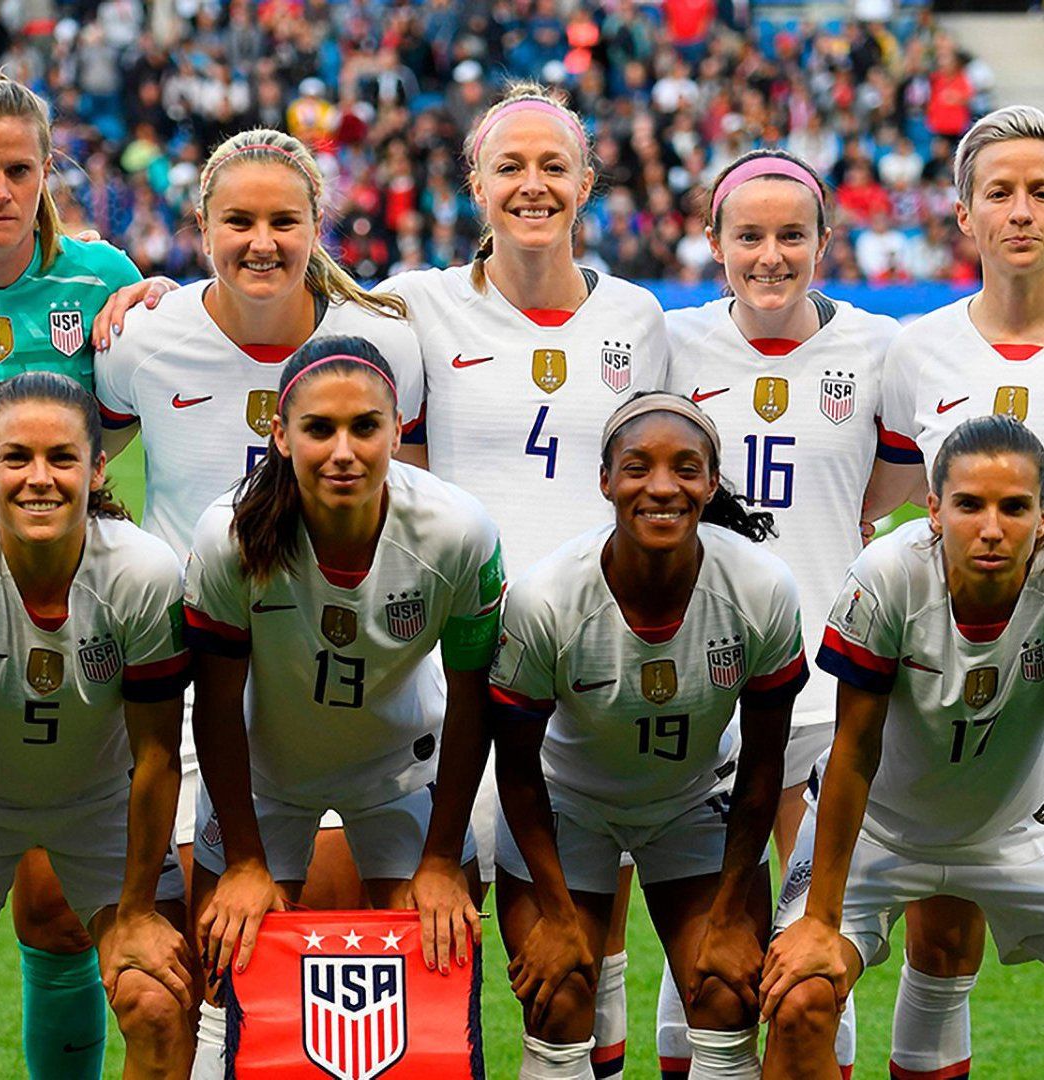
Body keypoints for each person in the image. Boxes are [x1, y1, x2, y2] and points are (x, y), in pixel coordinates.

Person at [380, 83, 671, 1079]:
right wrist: (146, 293)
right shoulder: (416, 303)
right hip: (453, 671)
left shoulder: (637, 316)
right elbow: (288, 299)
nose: (532, 184)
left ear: (587, 183)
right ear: (476, 184)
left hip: (591, 669)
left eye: (554, 166)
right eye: (510, 166)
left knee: (590, 940)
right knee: (438, 917)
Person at [95, 127, 423, 931]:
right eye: (238, 221)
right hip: (190, 668)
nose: (262, 242)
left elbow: (417, 501)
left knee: (325, 919)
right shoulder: (143, 338)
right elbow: (85, 468)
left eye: (284, 221)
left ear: (316, 225)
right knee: (203, 930)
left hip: (335, 666)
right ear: (202, 226)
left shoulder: (382, 343)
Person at [183, 336, 503, 1079]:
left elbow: (471, 701)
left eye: (365, 427)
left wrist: (440, 861)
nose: (343, 451)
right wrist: (245, 862)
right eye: (319, 429)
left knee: (438, 971)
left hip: (403, 768)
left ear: (397, 430)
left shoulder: (458, 532)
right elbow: (217, 705)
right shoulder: (228, 536)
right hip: (263, 775)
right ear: (280, 434)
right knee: (221, 993)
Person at [661, 148, 899, 1077]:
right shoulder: (672, 343)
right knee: (698, 953)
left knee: (814, 950)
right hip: (704, 691)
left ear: (824, 242)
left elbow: (898, 483)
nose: (770, 255)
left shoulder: (878, 348)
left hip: (828, 696)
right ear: (713, 242)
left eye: (792, 235)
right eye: (749, 236)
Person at [490, 392, 807, 1080]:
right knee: (558, 997)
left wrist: (731, 915)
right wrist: (556, 916)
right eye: (637, 468)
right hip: (568, 804)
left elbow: (763, 764)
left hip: (693, 803)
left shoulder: (760, 587)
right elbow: (515, 769)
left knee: (726, 993)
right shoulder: (546, 598)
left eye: (686, 469)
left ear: (712, 483)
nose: (662, 487)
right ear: (605, 481)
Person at [0, 70, 173, 1079]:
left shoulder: (99, 278)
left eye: (19, 169)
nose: (0, 190)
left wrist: (165, 304)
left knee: (54, 910)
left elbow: (143, 407)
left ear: (49, 170)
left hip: (68, 591)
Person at [762, 414, 1044, 1080]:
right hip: (878, 831)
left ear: (1043, 517)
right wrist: (820, 920)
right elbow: (854, 750)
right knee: (800, 1000)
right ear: (934, 510)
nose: (992, 528)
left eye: (1014, 507)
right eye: (970, 505)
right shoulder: (888, 574)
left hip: (1010, 832)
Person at [866, 105, 1044, 1080]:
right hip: (953, 693)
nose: (1022, 211)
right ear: (965, 214)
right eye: (1001, 192)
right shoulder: (918, 351)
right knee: (941, 942)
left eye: (1041, 192)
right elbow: (889, 505)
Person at [0, 371, 194, 1077]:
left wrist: (137, 912)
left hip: (103, 808)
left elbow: (158, 754)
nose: (39, 478)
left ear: (97, 471)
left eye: (62, 458)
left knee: (160, 1003)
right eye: (17, 458)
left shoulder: (142, 575)